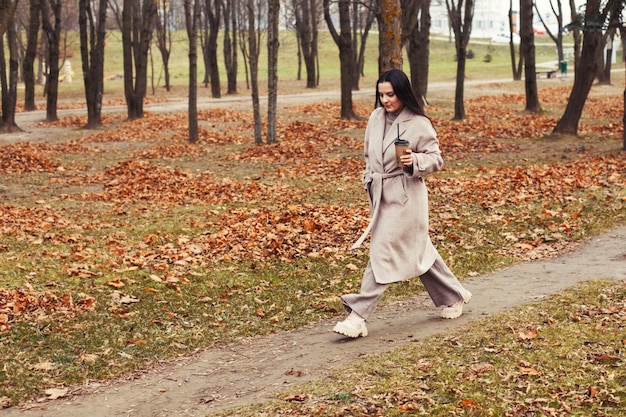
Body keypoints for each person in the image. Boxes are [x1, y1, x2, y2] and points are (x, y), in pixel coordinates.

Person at [333, 68, 472, 338]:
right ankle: (454, 295)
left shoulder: (418, 122)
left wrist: (415, 162)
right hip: (380, 194)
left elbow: (436, 158)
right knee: (418, 250)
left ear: (402, 92)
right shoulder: (375, 118)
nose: (385, 100)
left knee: (383, 250)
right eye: (381, 94)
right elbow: (367, 152)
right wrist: (368, 176)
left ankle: (358, 317)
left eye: (391, 94)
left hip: (407, 197)